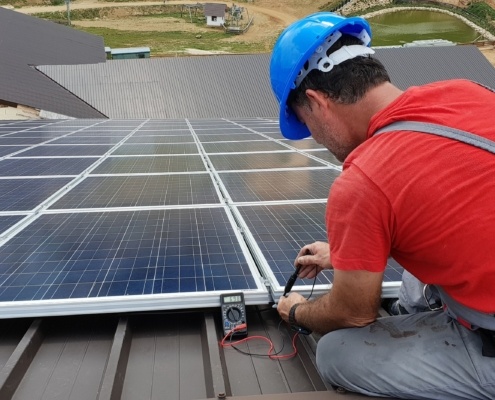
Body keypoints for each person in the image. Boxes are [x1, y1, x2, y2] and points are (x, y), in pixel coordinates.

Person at [270, 12, 495, 400]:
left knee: (336, 353)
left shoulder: (362, 180)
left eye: (307, 125)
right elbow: (452, 207)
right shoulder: (468, 91)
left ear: (317, 102)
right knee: (411, 282)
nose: (315, 139)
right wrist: (343, 254)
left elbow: (353, 314)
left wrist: (296, 311)